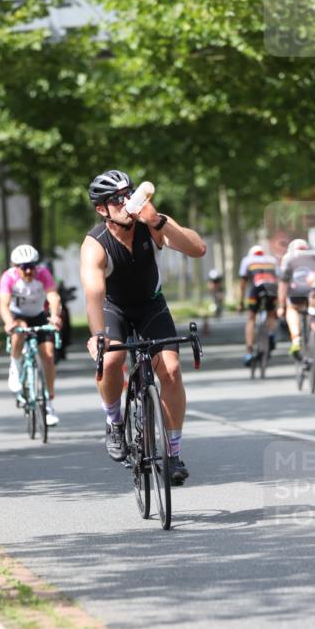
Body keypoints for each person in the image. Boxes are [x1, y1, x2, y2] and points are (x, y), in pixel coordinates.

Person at [80, 169, 206, 485]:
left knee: (172, 371)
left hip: (151, 305)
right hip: (115, 309)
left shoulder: (152, 224)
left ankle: (172, 453)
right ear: (101, 209)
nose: (127, 203)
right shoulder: (95, 244)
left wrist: (158, 221)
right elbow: (94, 294)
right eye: (117, 200)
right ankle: (114, 421)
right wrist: (98, 335)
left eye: (130, 194)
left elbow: (197, 249)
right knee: (111, 359)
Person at [0, 244, 62, 427]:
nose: (28, 271)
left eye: (31, 266)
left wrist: (55, 316)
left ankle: (48, 403)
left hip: (38, 315)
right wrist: (8, 322)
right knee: (20, 329)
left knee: (48, 356)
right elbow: (3, 304)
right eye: (23, 267)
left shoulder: (43, 274)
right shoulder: (8, 277)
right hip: (18, 316)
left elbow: (53, 297)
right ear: (15, 267)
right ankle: (16, 364)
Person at [277, 238, 315, 377]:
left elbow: (283, 284)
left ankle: (296, 338)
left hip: (297, 292)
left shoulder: (288, 257)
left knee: (291, 308)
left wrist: (281, 306)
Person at [238, 245, 278, 366]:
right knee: (271, 313)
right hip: (272, 288)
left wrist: (241, 302)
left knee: (251, 318)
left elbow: (243, 283)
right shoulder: (272, 260)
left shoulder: (247, 260)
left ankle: (249, 351)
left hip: (256, 289)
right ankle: (271, 335)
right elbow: (278, 278)